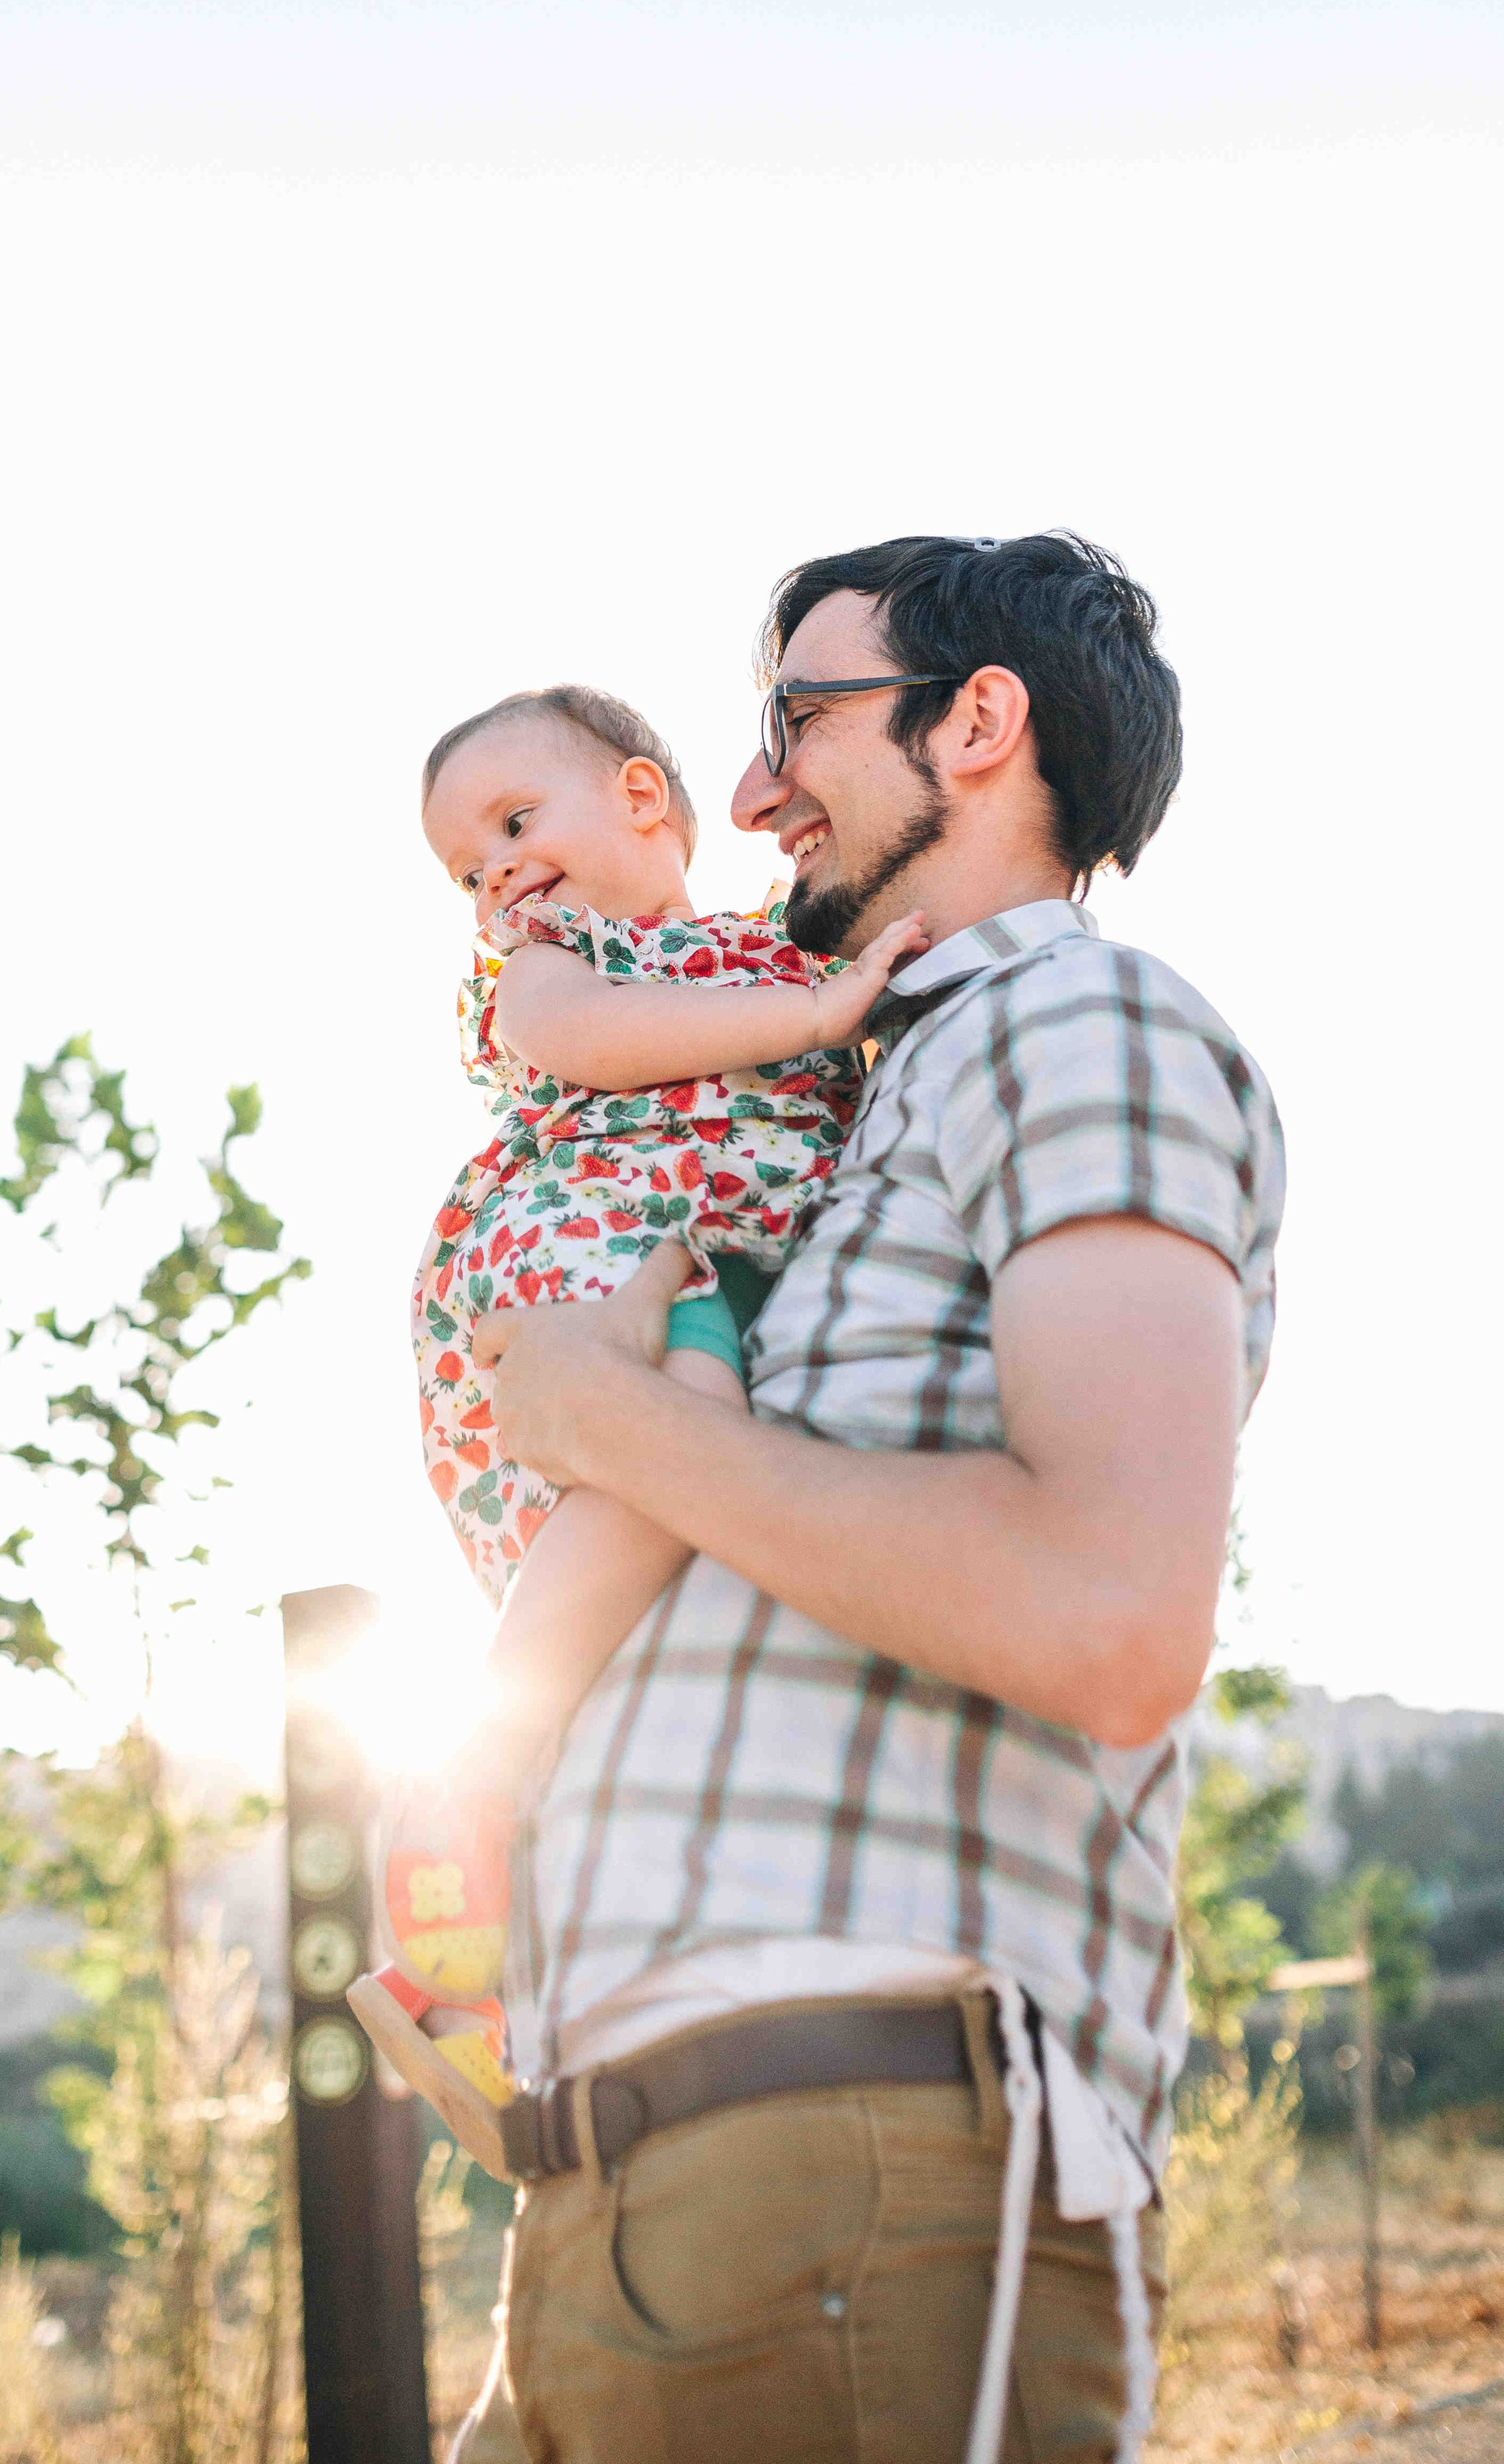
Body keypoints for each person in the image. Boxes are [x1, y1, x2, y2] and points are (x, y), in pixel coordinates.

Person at [457, 532, 1285, 2464]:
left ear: (977, 723)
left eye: (797, 720)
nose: (750, 794)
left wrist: (608, 1416)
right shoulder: (849, 1112)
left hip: (858, 2141)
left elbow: (1112, 1617)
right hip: (638, 2182)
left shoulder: (1082, 1028)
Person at [376, 685, 927, 2093]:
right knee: (660, 1449)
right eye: (462, 868)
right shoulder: (560, 956)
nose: (492, 874)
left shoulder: (780, 945)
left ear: (638, 800)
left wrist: (828, 999)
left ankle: (490, 1964)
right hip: (585, 1264)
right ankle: (470, 1771)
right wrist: (805, 1014)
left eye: (511, 823)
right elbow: (573, 1041)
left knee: (685, 1500)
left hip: (708, 1272)